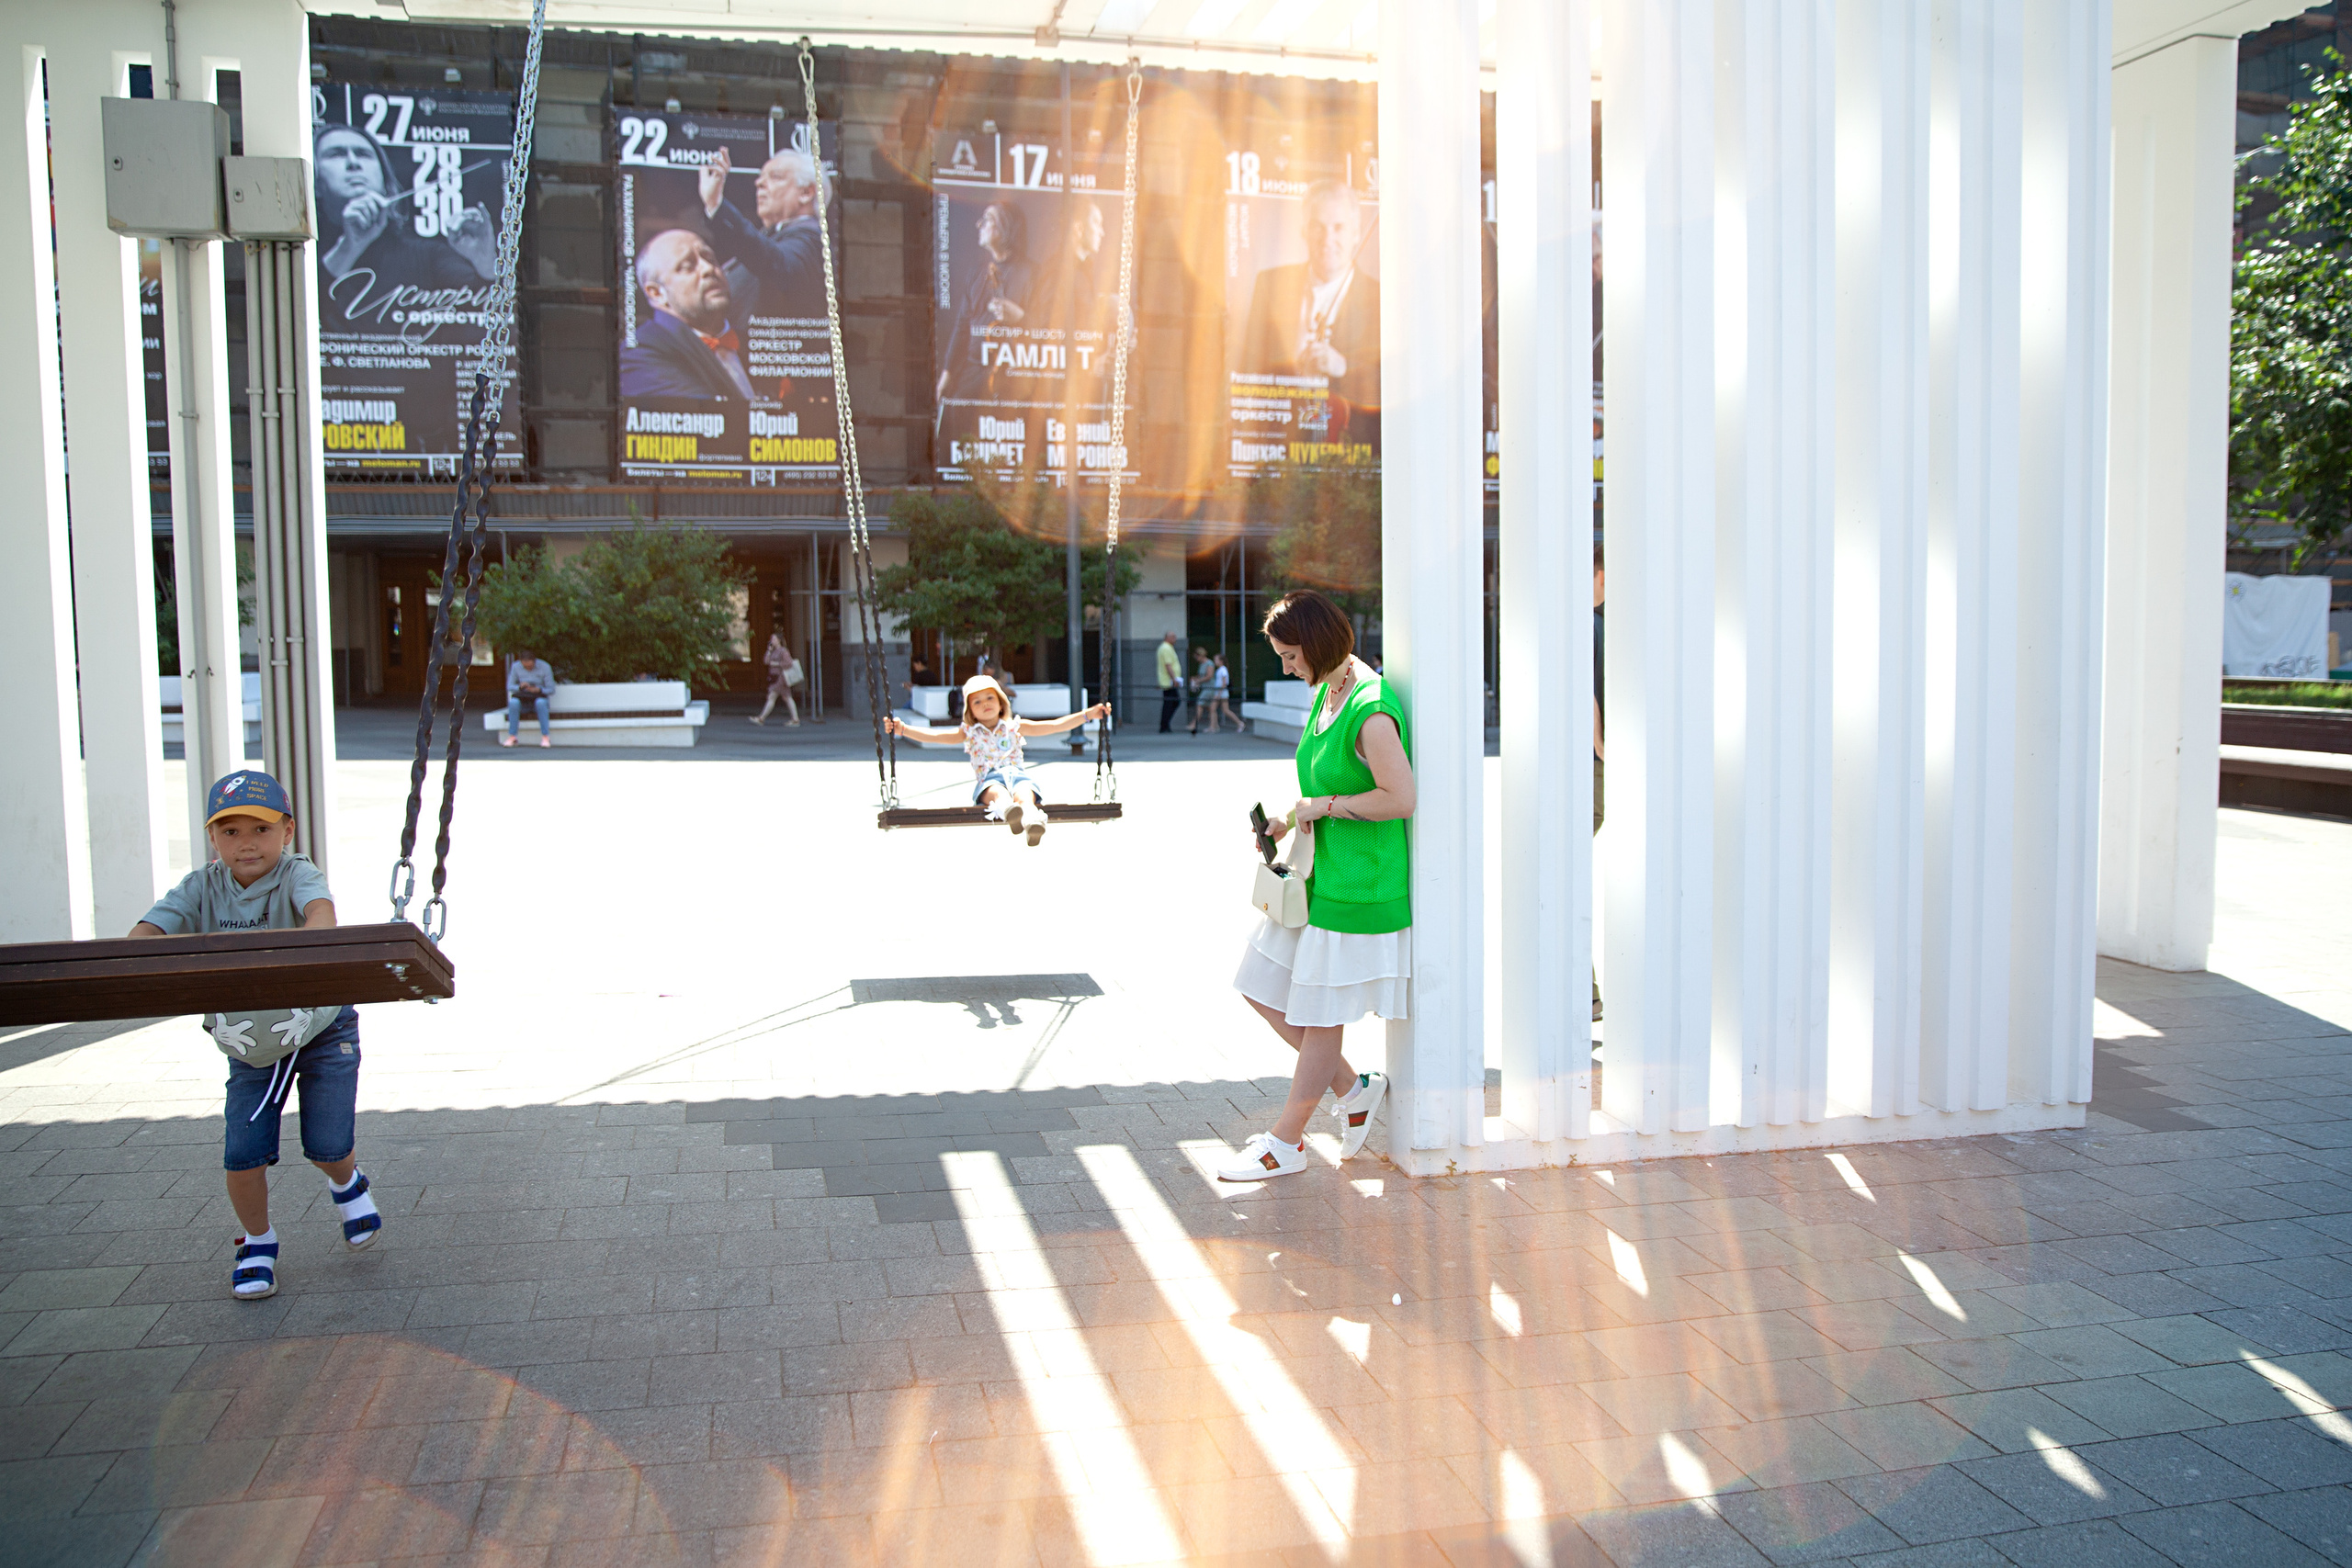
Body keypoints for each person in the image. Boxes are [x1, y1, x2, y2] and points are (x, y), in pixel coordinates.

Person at [130, 771, 382, 1299]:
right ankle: (258, 1243)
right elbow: (149, 930)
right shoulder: (202, 886)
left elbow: (321, 915)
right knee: (242, 1152)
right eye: (230, 832)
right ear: (213, 838)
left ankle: (347, 1181)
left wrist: (305, 947)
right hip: (253, 1045)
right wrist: (141, 953)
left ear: (286, 832)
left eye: (260, 830)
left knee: (327, 1145)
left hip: (319, 1026)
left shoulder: (296, 874)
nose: (246, 844)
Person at [1225, 590, 1414, 1180]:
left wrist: (1322, 806)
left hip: (1358, 886)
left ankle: (1286, 1143)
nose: (1285, 666)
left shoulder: (1371, 707)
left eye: (1289, 655)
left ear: (1319, 642)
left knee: (1319, 1016)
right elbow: (1326, 781)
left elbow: (1399, 798)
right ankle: (1354, 1091)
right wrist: (1291, 815)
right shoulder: (1328, 691)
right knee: (1259, 983)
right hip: (1316, 875)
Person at [886, 674, 1107, 848]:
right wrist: (903, 729)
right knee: (997, 791)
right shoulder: (969, 732)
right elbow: (935, 736)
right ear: (970, 710)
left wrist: (1088, 714)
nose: (985, 704)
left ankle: (1032, 822)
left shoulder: (1015, 726)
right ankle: (1009, 811)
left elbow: (1054, 725)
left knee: (1025, 793)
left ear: (1001, 703)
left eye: (990, 698)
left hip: (1017, 774)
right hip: (989, 780)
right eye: (977, 701)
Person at [1237, 182, 1381, 411]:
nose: (1327, 239)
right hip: (1281, 431)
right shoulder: (1269, 285)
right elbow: (1249, 367)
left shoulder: (1380, 300)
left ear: (1356, 234)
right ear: (1304, 231)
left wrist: (1342, 367)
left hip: (1348, 440)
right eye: (1318, 227)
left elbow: (1388, 389)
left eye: (1339, 227)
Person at [313, 123, 495, 289]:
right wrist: (349, 247)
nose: (353, 163)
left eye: (363, 154)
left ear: (385, 179)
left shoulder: (426, 255)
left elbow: (485, 307)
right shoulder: (304, 249)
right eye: (335, 154)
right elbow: (301, 305)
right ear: (316, 182)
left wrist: (484, 262)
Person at [620, 230, 755, 402]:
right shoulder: (639, 353)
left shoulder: (751, 341)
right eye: (687, 266)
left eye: (711, 259)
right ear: (656, 294)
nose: (709, 269)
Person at [696, 144, 826, 321]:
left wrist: (716, 205)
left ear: (805, 193)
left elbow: (776, 264)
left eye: (775, 177)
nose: (759, 183)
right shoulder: (776, 235)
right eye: (760, 177)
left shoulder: (810, 238)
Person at [935, 200, 1035, 404]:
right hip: (974, 372)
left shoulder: (1031, 273)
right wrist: (947, 375)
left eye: (988, 219)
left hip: (1014, 374)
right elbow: (962, 327)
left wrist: (1021, 317)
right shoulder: (977, 273)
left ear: (1006, 227)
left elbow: (1049, 328)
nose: (978, 225)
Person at [1592, 543, 1605, 1022]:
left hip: (1595, 765)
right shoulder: (1595, 625)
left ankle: (1586, 992)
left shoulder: (1592, 625)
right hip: (1598, 765)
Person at [504, 650, 557, 748]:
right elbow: (510, 686)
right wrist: (520, 686)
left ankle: (545, 737)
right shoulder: (516, 667)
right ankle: (512, 736)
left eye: (530, 666)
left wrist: (538, 689)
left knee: (541, 703)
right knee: (513, 703)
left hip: (538, 697)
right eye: (525, 667)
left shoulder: (545, 667)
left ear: (534, 661)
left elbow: (551, 689)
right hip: (523, 697)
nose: (528, 668)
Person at [752, 632, 801, 727]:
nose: (772, 641)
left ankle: (761, 718)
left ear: (779, 640)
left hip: (781, 678)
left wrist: (777, 664)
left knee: (772, 696)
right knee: (787, 697)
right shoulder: (773, 651)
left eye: (774, 639)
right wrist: (769, 650)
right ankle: (795, 719)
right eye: (771, 639)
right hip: (775, 678)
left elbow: (789, 663)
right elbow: (766, 661)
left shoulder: (783, 651)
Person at [1202, 653, 1244, 733]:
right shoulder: (1220, 669)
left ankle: (1239, 723)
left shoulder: (1223, 670)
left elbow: (1224, 683)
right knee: (1213, 708)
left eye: (1216, 660)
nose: (1215, 662)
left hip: (1221, 693)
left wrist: (1219, 694)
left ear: (1221, 661)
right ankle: (1213, 726)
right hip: (1219, 692)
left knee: (1225, 710)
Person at [1156, 632, 1184, 733]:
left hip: (1168, 680)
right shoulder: (1166, 648)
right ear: (1168, 638)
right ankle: (1164, 725)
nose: (1175, 639)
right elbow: (1168, 665)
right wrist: (1174, 679)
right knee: (1171, 702)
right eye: (1174, 637)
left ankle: (1165, 724)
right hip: (1168, 681)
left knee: (1171, 702)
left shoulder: (1166, 648)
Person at [1186, 647, 1214, 734]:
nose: (1197, 659)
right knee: (1210, 708)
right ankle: (1214, 725)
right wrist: (1194, 679)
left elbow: (1209, 676)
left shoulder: (1209, 664)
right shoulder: (1202, 664)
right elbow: (1200, 675)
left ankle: (1194, 723)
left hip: (1210, 688)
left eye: (1197, 657)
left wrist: (1199, 681)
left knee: (1200, 704)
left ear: (1201, 655)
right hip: (1204, 687)